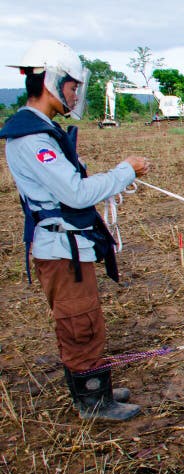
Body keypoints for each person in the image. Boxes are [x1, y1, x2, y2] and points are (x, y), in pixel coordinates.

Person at [0, 40, 150, 421]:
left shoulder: (44, 130)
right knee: (79, 323)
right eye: (72, 86)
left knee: (86, 319)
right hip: (61, 250)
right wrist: (125, 172)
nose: (74, 94)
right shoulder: (33, 138)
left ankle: (96, 388)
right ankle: (93, 403)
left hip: (70, 248)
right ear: (51, 80)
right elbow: (77, 193)